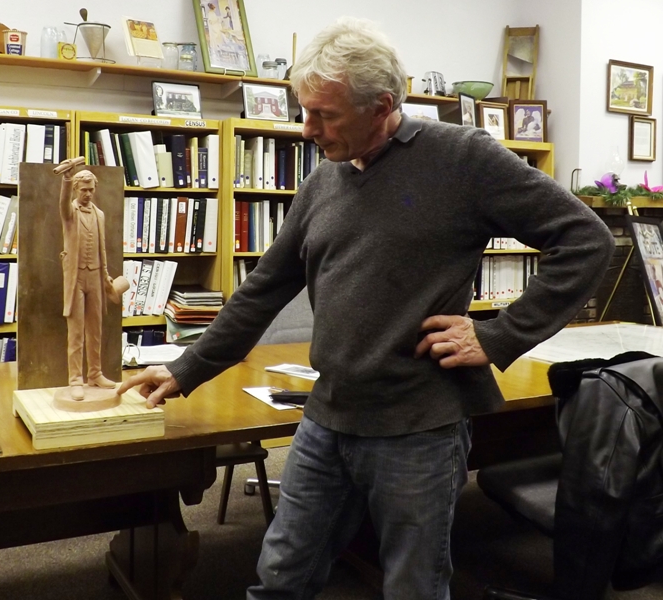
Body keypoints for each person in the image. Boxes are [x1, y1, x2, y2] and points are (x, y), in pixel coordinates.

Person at [118, 17, 614, 600]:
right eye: (304, 111)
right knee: (281, 578)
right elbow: (264, 288)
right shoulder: (324, 178)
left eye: (323, 115)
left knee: (413, 587)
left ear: (381, 105)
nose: (307, 129)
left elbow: (586, 240)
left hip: (419, 426)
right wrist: (187, 368)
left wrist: (499, 335)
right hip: (327, 414)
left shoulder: (463, 158)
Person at [57, 160, 125, 400]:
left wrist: (105, 274)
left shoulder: (100, 215)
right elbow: (63, 202)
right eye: (83, 189)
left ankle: (95, 373)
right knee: (76, 331)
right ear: (76, 189)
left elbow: (101, 248)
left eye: (91, 189)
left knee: (95, 329)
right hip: (76, 277)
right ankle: (75, 379)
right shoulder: (70, 213)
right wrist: (67, 178)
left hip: (95, 276)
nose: (87, 194)